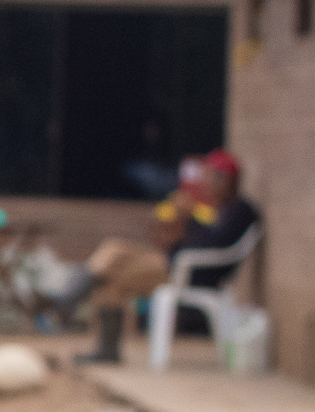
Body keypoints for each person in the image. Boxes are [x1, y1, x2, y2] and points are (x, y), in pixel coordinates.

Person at [71, 149, 262, 362]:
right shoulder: (208, 207)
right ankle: (102, 341)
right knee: (113, 250)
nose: (208, 182)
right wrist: (177, 222)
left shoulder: (239, 210)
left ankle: (71, 296)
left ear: (228, 180)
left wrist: (191, 218)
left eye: (214, 177)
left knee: (111, 269)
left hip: (189, 273)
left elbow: (214, 246)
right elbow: (169, 238)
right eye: (207, 176)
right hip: (173, 261)